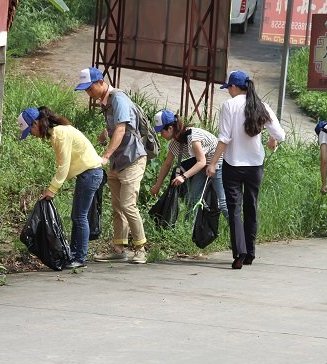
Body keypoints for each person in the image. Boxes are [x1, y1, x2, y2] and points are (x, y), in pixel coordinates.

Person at [206, 70, 285, 269]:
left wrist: (213, 163)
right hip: (255, 166)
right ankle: (250, 253)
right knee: (252, 207)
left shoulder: (229, 106)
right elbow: (280, 134)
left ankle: (239, 253)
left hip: (233, 165)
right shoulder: (261, 105)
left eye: (229, 88)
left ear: (234, 87)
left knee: (234, 210)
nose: (228, 92)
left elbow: (224, 138)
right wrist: (272, 137)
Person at [74, 67, 148, 263]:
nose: (88, 93)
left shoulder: (118, 98)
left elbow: (122, 128)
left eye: (89, 89)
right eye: (86, 90)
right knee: (117, 206)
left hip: (132, 159)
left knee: (128, 205)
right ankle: (119, 248)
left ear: (100, 82)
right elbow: (116, 126)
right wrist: (105, 133)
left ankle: (141, 248)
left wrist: (106, 155)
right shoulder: (105, 103)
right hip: (118, 161)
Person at [17, 106, 104, 269]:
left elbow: (63, 166)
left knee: (79, 217)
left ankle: (80, 257)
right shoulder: (56, 133)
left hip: (91, 173)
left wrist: (51, 190)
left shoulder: (60, 134)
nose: (32, 135)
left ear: (36, 123)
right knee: (77, 216)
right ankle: (75, 255)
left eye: (30, 131)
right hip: (89, 174)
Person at [150, 110, 229, 219]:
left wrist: (183, 177)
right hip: (203, 166)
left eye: (161, 131)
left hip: (216, 163)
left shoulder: (192, 136)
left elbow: (201, 161)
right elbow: (167, 164)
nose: (160, 134)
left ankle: (238, 232)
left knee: (222, 202)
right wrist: (157, 186)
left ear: (170, 128)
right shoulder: (176, 142)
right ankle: (190, 232)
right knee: (192, 200)